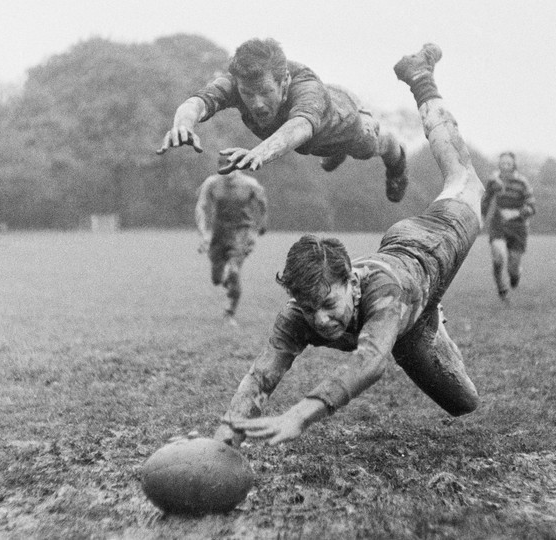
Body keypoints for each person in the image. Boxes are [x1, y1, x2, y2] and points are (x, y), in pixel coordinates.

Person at [212, 43, 483, 447]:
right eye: (309, 308)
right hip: (406, 301)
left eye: (327, 304)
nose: (319, 319)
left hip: (431, 244)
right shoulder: (300, 313)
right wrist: (223, 437)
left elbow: (370, 363)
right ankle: (427, 315)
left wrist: (301, 414)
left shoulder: (382, 292)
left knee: (462, 178)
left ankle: (420, 77)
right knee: (464, 403)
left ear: (353, 284)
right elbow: (262, 373)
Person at [156, 38, 410, 203]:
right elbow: (198, 102)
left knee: (368, 147)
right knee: (319, 152)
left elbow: (299, 127)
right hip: (316, 128)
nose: (256, 103)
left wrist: (260, 152)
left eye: (266, 92)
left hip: (344, 119)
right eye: (247, 94)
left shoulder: (307, 89)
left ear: (284, 82)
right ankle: (335, 154)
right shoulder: (238, 81)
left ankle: (397, 159)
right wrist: (182, 125)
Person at [196, 157, 269, 325]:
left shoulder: (250, 184)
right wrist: (204, 233)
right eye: (224, 168)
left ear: (239, 167)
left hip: (241, 231)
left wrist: (262, 224)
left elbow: (262, 202)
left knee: (234, 271)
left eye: (232, 168)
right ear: (219, 168)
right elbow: (201, 206)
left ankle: (230, 313)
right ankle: (228, 280)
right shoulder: (212, 183)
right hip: (219, 232)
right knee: (216, 279)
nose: (229, 172)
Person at [480, 152, 536, 301]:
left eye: (508, 164)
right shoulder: (494, 181)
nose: (505, 167)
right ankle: (501, 287)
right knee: (498, 257)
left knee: (513, 268)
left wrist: (519, 213)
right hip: (499, 225)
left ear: (514, 165)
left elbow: (531, 206)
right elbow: (486, 200)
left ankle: (515, 275)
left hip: (518, 227)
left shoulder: (522, 182)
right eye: (502, 163)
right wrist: (482, 217)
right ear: (499, 165)